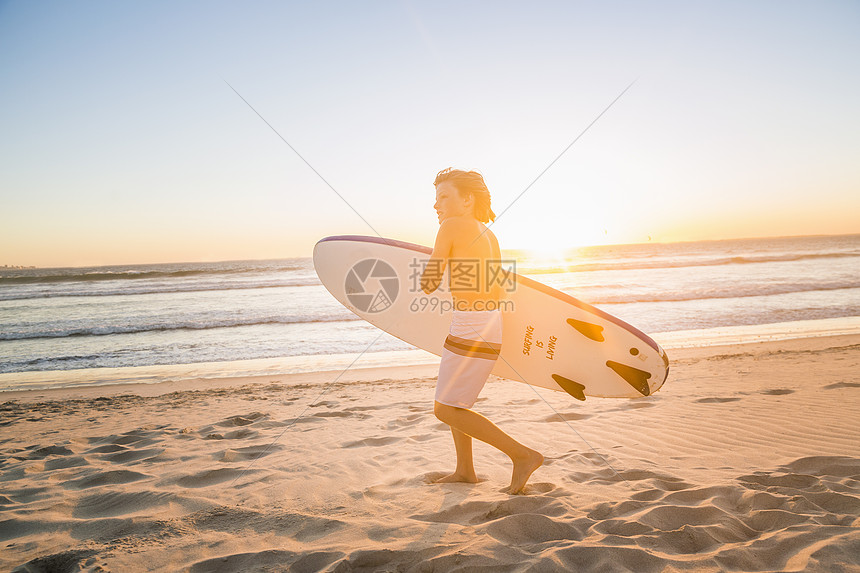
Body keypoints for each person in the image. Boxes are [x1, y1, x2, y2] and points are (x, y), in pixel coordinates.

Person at [420, 168, 543, 495]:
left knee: (445, 408)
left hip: (472, 326)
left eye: (443, 197)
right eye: (435, 199)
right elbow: (496, 287)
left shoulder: (451, 226)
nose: (436, 206)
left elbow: (429, 284)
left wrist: (432, 261)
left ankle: (523, 455)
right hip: (485, 323)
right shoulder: (488, 234)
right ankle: (465, 470)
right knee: (454, 401)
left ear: (467, 199)